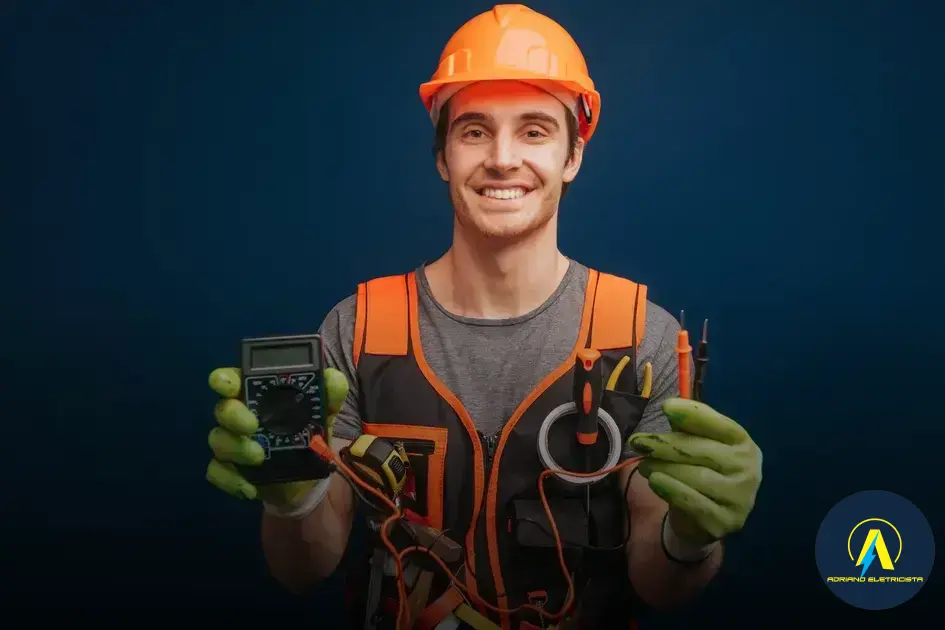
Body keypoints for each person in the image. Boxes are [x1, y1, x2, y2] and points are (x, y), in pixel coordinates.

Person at [206, 5, 763, 629]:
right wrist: (293, 499)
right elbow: (303, 568)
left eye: (534, 130)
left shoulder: (644, 336)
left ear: (573, 156)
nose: (502, 159)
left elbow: (660, 585)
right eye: (474, 131)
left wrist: (690, 536)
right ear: (442, 155)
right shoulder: (356, 329)